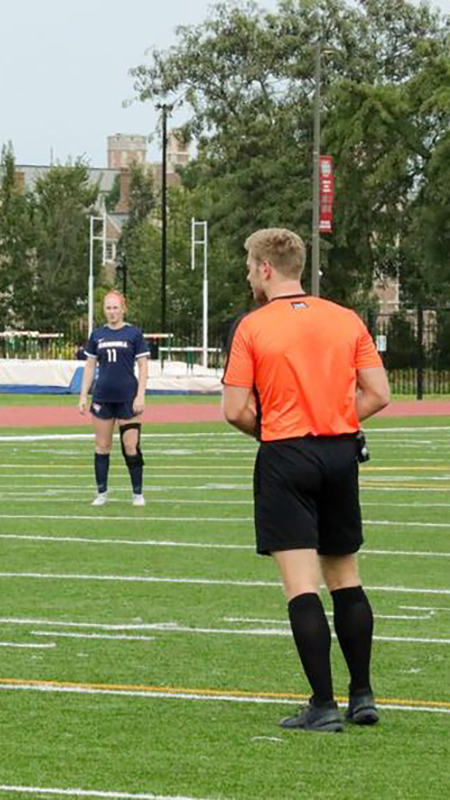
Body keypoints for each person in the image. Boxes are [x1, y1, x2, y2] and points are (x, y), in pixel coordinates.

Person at [222, 228, 389, 733]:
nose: (249, 274)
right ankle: (362, 695)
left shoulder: (252, 327)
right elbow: (378, 394)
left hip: (285, 454)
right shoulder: (345, 318)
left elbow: (233, 410)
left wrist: (272, 429)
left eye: (251, 266)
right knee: (347, 579)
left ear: (267, 268)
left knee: (301, 587)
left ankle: (322, 703)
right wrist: (336, 418)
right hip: (339, 453)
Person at [77, 291, 150, 507]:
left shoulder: (134, 334)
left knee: (131, 446)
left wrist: (141, 395)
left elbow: (144, 367)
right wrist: (83, 395)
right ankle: (102, 493)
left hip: (128, 398)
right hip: (102, 398)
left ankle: (137, 493)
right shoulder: (97, 335)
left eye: (115, 307)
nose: (112, 312)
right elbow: (90, 366)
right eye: (108, 308)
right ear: (104, 311)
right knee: (102, 446)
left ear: (123, 308)